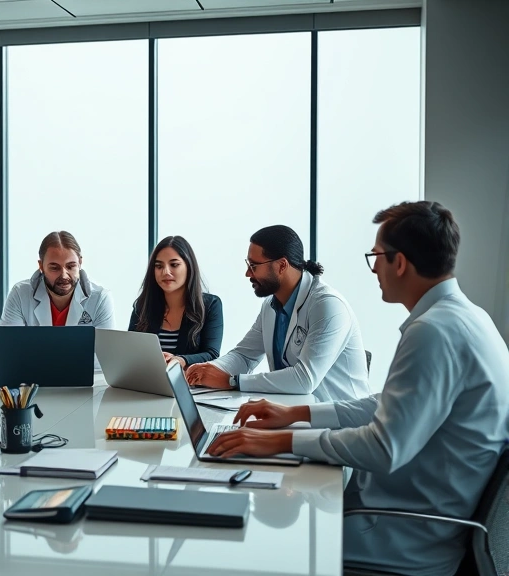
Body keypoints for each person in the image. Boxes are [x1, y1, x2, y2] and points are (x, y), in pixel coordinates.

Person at [207, 201, 509, 576]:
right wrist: (296, 414)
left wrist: (278, 441)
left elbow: (383, 448)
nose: (375, 269)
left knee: (254, 544)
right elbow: (389, 405)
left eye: (377, 256)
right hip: (406, 511)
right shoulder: (466, 319)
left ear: (399, 262)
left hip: (398, 530)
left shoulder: (435, 332)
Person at [186, 225, 370, 402]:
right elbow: (244, 355)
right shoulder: (271, 306)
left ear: (282, 265)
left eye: (254, 266)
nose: (247, 273)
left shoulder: (328, 305)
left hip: (340, 424)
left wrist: (232, 381)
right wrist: (206, 370)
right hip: (295, 415)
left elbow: (304, 379)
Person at [128, 235, 222, 369]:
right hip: (147, 383)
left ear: (189, 266)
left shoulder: (210, 305)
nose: (166, 272)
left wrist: (180, 360)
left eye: (174, 265)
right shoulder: (142, 306)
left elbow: (212, 353)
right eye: (159, 266)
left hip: (189, 385)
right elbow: (130, 351)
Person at [0, 231, 114, 328]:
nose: (64, 275)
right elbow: (10, 349)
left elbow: (106, 352)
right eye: (55, 268)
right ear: (41, 266)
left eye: (70, 266)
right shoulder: (20, 295)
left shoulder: (100, 299)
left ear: (80, 263)